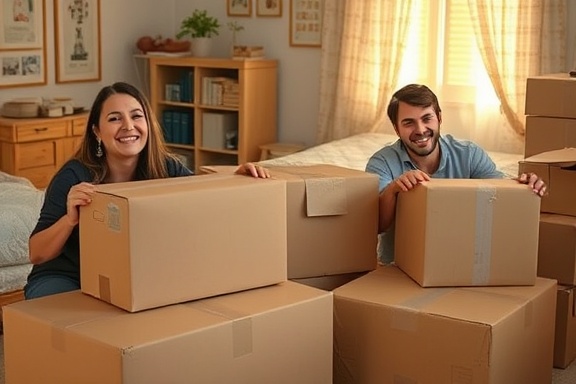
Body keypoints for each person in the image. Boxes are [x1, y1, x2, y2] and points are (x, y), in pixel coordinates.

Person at [25, 82, 270, 300]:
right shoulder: (74, 176)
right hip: (66, 276)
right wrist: (69, 220)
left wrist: (237, 178)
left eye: (136, 116)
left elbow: (201, 201)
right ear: (97, 132)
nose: (128, 126)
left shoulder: (166, 167)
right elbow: (37, 254)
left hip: (131, 275)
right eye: (114, 119)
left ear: (148, 124)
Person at [365, 84, 546, 264]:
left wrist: (524, 185)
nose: (420, 130)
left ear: (439, 118)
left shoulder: (469, 154)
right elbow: (376, 225)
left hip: (461, 263)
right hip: (398, 266)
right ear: (397, 129)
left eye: (427, 118)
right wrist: (394, 188)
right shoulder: (381, 162)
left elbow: (501, 195)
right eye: (408, 123)